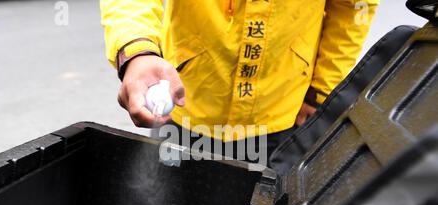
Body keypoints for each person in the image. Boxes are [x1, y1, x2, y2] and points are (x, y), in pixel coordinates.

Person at [100, 0, 379, 164]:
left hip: (283, 113)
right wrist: (136, 50)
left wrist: (321, 90)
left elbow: (353, 6)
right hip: (186, 104)